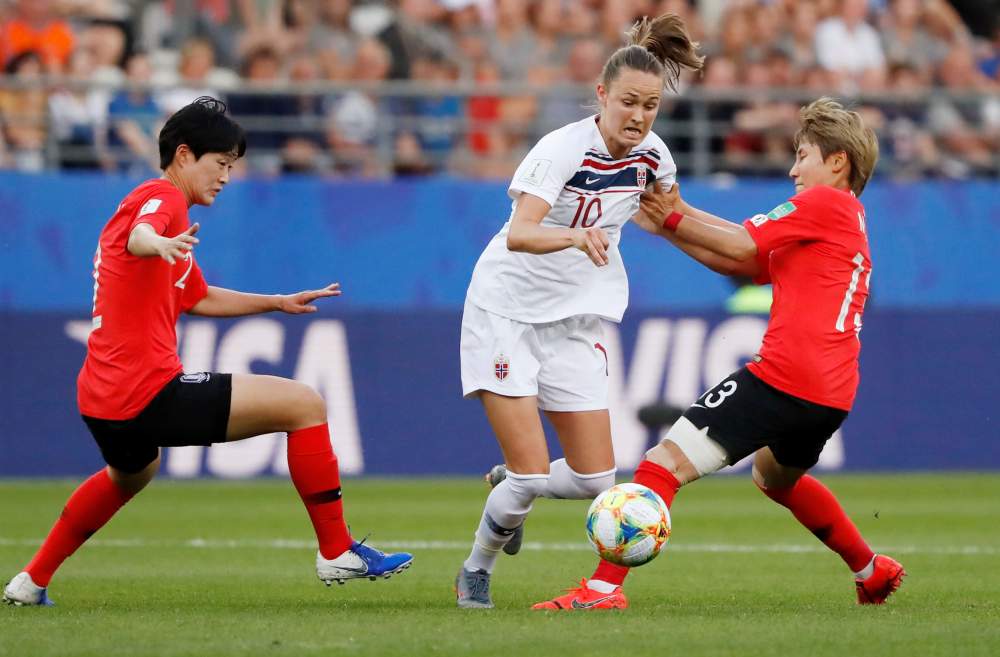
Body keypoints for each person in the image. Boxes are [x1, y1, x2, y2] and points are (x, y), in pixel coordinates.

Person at [2, 97, 412, 607]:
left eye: (232, 167)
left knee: (130, 475)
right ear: (183, 155)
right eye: (220, 164)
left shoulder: (162, 212)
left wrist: (276, 303)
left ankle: (31, 581)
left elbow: (197, 296)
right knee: (303, 404)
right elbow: (140, 234)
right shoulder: (162, 200)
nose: (225, 177)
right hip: (143, 392)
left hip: (102, 398)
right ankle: (335, 549)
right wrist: (158, 243)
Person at [533, 98, 905, 611]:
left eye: (803, 155)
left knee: (661, 466)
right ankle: (870, 570)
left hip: (786, 376)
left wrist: (674, 217)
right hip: (831, 392)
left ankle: (601, 590)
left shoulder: (825, 204)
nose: (794, 169)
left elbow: (737, 243)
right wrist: (669, 221)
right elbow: (742, 260)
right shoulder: (841, 224)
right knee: (776, 478)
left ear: (837, 162)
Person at [454, 14, 703, 609]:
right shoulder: (561, 149)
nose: (639, 116)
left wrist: (735, 246)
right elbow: (520, 233)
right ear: (601, 96)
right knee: (535, 475)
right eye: (627, 103)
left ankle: (504, 483)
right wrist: (572, 237)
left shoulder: (653, 156)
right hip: (506, 311)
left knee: (596, 480)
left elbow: (668, 212)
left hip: (575, 319)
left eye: (650, 105)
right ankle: (476, 567)